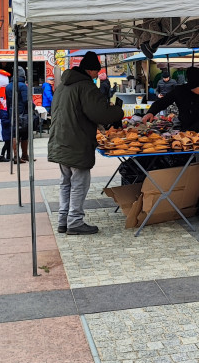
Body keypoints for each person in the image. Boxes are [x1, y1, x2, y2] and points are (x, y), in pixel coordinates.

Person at [48, 51, 124, 234]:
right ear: (90, 70)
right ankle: (74, 222)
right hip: (76, 141)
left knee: (66, 182)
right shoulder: (85, 86)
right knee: (79, 183)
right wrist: (118, 112)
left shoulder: (63, 86)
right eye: (96, 71)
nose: (98, 75)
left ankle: (63, 220)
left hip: (60, 140)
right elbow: (99, 113)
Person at [143, 67, 199, 131]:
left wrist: (190, 131)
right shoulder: (180, 91)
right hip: (185, 127)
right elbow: (163, 102)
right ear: (192, 86)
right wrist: (151, 112)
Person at [11, 66, 36, 162]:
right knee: (25, 134)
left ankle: (16, 156)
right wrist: (33, 107)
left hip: (12, 112)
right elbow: (27, 100)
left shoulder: (9, 85)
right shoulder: (22, 86)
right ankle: (24, 155)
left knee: (14, 134)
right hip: (23, 114)